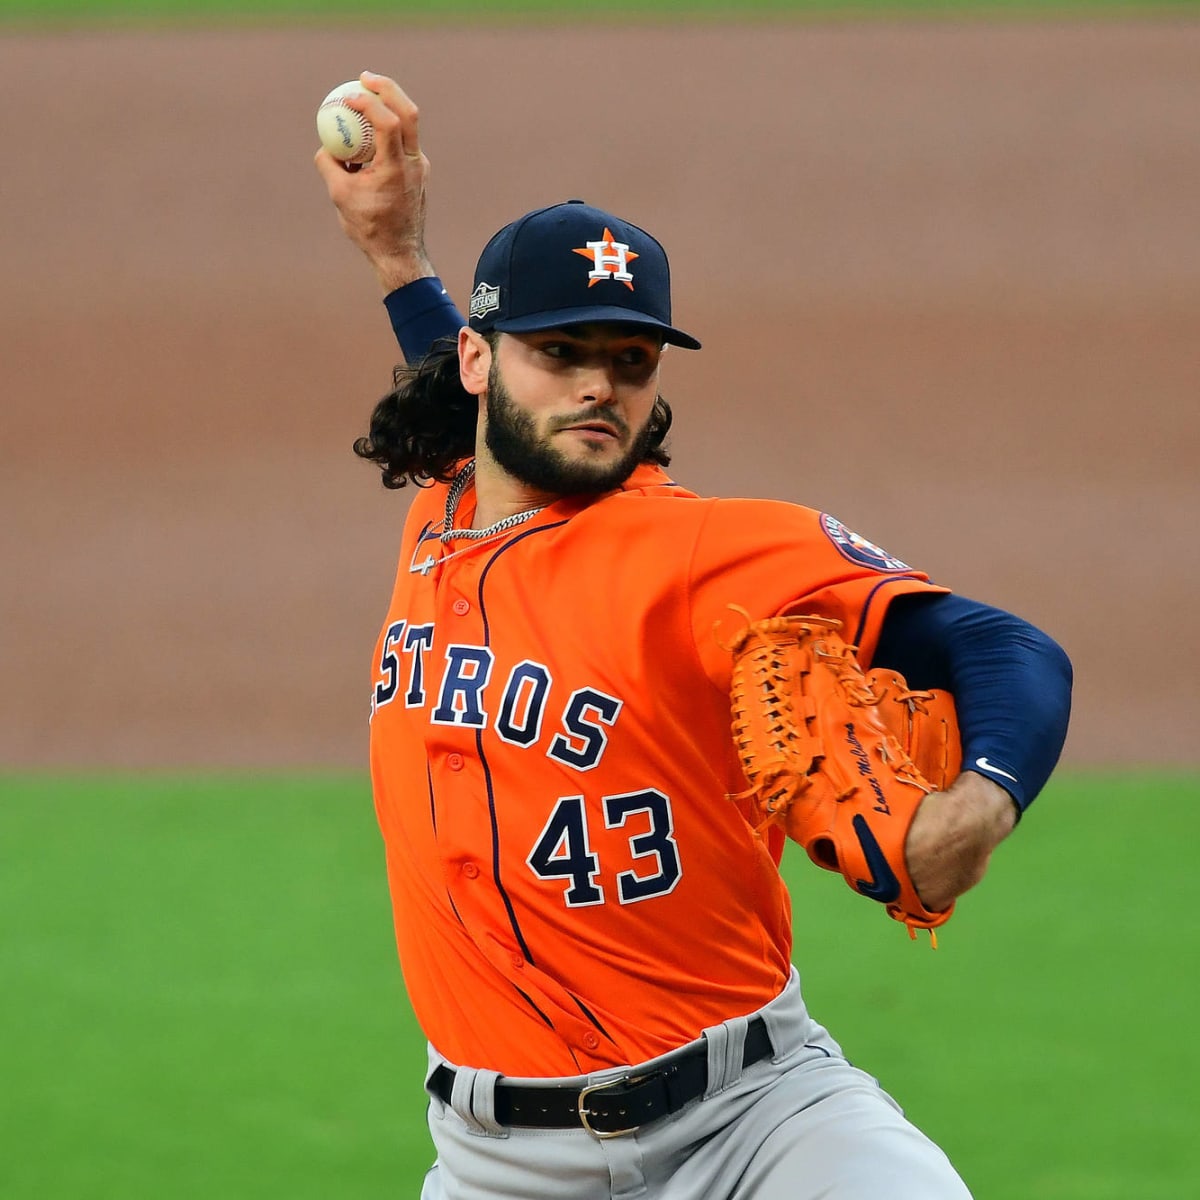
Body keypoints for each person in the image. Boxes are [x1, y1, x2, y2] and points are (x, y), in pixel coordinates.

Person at [315, 73, 1072, 1200]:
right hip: (494, 1165)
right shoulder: (447, 506)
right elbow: (455, 407)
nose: (596, 388)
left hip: (758, 1123)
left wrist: (978, 805)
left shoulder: (714, 552)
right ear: (480, 364)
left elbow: (1008, 648)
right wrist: (396, 255)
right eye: (560, 351)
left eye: (628, 361)